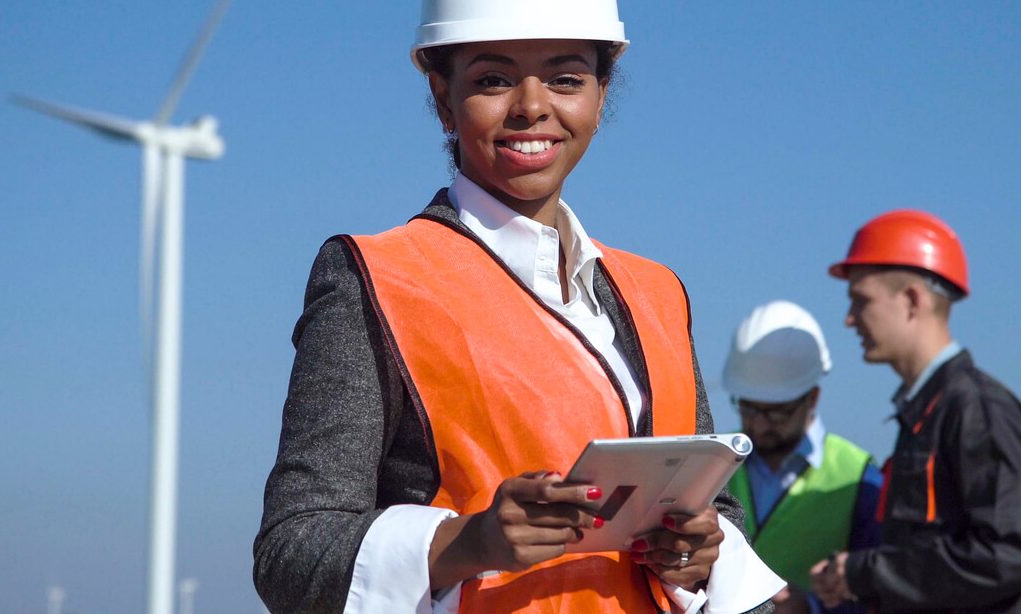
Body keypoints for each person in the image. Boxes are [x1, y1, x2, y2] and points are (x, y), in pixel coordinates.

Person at [252, 1, 784, 612]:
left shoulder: (656, 293)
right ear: (443, 93)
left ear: (601, 93)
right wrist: (469, 540)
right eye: (493, 79)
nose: (532, 105)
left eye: (565, 77)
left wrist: (695, 553)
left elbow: (715, 514)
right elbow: (292, 554)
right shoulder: (377, 277)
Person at [810, 210, 1021, 612]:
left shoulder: (975, 407)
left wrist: (862, 572)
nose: (849, 319)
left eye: (861, 300)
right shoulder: (933, 409)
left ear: (911, 300)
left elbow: (1007, 554)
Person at [722, 300, 882, 614]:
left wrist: (811, 607)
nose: (759, 424)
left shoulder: (860, 477)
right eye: (749, 409)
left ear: (812, 398)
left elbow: (882, 596)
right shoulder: (716, 464)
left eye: (777, 413)